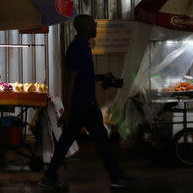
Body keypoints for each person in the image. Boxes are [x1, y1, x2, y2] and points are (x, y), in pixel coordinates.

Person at [39, 14, 128, 190]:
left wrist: (102, 77)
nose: (95, 27)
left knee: (67, 141)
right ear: (83, 28)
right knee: (102, 140)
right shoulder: (77, 48)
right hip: (83, 104)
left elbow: (83, 76)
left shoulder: (83, 47)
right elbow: (70, 80)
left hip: (83, 104)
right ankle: (116, 176)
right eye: (92, 24)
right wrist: (68, 108)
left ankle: (49, 177)